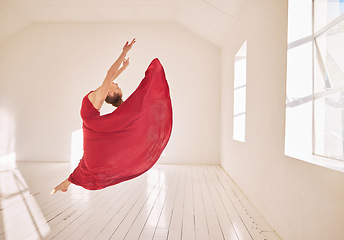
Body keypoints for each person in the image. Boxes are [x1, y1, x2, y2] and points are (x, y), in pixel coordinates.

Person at [51, 39, 172, 194]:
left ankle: (65, 183)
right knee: (86, 163)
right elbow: (111, 77)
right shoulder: (101, 92)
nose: (116, 83)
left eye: (117, 87)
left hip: (91, 124)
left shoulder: (99, 96)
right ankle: (65, 184)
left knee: (89, 163)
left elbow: (109, 74)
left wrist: (124, 52)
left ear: (110, 92)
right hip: (90, 125)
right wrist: (124, 68)